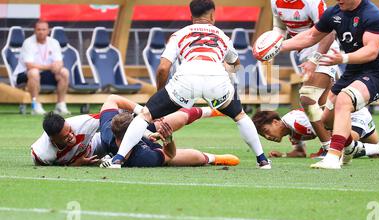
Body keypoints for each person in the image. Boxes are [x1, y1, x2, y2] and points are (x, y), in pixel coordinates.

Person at [105, 0, 272, 169]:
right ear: (213, 16)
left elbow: (163, 68)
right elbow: (236, 65)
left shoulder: (179, 34)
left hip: (187, 78)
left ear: (191, 16)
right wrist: (231, 85)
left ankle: (118, 159)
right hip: (216, 78)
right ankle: (262, 160)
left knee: (145, 116)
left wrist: (161, 97)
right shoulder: (223, 37)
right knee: (240, 116)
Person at [280, 0, 379, 169]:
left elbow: (371, 52)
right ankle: (356, 149)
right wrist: (277, 47)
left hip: (374, 75)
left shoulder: (372, 15)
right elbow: (311, 36)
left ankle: (332, 157)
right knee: (327, 121)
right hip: (351, 74)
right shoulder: (334, 13)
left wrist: (343, 58)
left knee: (343, 100)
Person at [31, 94, 239, 167]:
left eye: (69, 131)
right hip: (125, 151)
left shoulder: (101, 130)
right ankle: (214, 158)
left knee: (159, 124)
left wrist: (143, 112)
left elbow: (112, 99)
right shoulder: (42, 154)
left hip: (108, 147)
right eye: (64, 136)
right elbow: (169, 155)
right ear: (52, 139)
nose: (70, 135)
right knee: (172, 160)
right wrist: (168, 140)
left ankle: (210, 111)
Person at [271, 0, 339, 159]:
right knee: (327, 108)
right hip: (302, 53)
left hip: (324, 51)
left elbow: (329, 33)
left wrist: (315, 60)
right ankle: (347, 145)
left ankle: (329, 149)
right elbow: (280, 28)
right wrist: (272, 44)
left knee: (307, 98)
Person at [252, 108, 379, 162]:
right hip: (356, 116)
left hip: (353, 116)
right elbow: (300, 153)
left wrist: (325, 153)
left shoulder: (295, 122)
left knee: (346, 150)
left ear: (275, 122)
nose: (268, 137)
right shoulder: (292, 130)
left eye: (267, 131)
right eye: (264, 137)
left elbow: (330, 138)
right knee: (375, 152)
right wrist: (283, 154)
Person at [13, 20, 70, 115]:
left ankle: (60, 104)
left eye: (44, 29)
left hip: (46, 74)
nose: (41, 32)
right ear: (34, 31)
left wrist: (58, 66)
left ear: (48, 31)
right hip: (24, 75)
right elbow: (29, 65)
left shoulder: (54, 42)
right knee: (34, 72)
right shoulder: (28, 43)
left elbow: (60, 62)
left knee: (64, 72)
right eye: (38, 29)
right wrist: (50, 67)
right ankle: (35, 105)